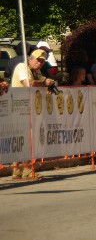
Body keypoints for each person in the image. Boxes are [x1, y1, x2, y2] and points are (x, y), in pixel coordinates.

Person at [10, 49, 55, 180]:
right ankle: (27, 169)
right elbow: (28, 83)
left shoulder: (35, 71)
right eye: (38, 60)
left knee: (23, 140)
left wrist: (48, 85)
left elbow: (42, 81)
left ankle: (17, 170)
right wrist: (44, 83)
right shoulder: (22, 67)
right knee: (26, 140)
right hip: (19, 109)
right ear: (30, 59)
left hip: (25, 109)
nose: (40, 63)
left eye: (42, 61)